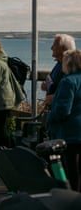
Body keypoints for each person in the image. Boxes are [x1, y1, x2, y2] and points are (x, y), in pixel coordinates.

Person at [47, 49, 81, 192]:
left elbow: (62, 110)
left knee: (70, 170)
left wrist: (51, 118)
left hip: (70, 134)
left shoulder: (67, 82)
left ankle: (70, 200)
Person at [41, 34, 76, 108]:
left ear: (63, 48)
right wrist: (47, 86)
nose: (51, 48)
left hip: (65, 114)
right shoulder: (59, 63)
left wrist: (55, 97)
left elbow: (74, 91)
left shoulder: (72, 67)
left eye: (54, 45)